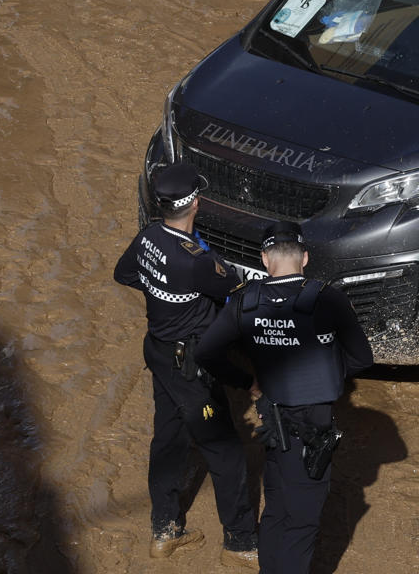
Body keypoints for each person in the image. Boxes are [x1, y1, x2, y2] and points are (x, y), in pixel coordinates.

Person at [197, 222, 373, 574]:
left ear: (264, 259)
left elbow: (206, 352)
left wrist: (248, 380)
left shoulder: (244, 301)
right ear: (304, 257)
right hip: (313, 424)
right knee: (301, 524)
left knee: (277, 510)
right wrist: (322, 372)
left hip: (272, 421)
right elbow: (361, 358)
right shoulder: (328, 299)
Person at [110, 162, 257, 562]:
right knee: (225, 452)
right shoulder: (196, 262)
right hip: (192, 366)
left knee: (169, 439)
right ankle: (241, 542)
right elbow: (239, 291)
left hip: (159, 351)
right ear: (195, 204)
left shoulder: (148, 237)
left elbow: (123, 275)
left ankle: (165, 531)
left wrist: (161, 289)